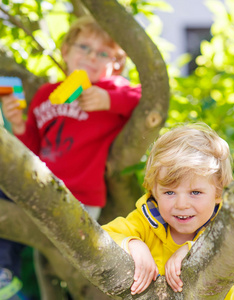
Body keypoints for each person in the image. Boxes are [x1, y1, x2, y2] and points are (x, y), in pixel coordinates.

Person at [0, 15, 141, 298]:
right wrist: (17, 126)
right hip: (38, 187)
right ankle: (5, 273)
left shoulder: (113, 90)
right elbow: (32, 147)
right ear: (65, 51)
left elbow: (144, 99)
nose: (91, 57)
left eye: (103, 53)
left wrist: (108, 99)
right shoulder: (45, 94)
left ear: (117, 65)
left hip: (80, 198)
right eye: (84, 48)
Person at [102, 123, 234, 298]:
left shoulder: (226, 226)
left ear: (218, 192)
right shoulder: (146, 220)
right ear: (154, 191)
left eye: (195, 192)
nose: (181, 204)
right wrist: (133, 244)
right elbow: (100, 238)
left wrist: (196, 252)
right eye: (169, 192)